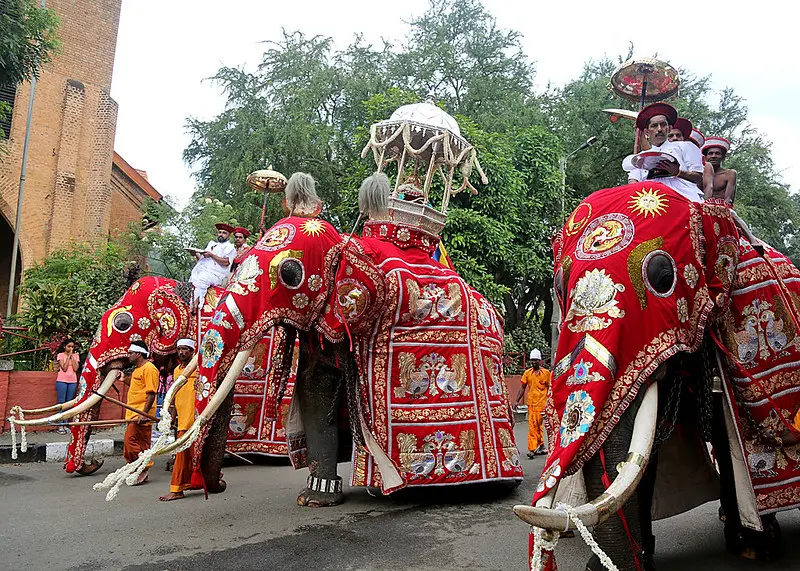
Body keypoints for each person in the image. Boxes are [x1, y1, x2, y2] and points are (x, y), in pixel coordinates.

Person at [624, 103, 705, 202]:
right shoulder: (641, 157)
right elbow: (633, 181)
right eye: (654, 126)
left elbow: (699, 178)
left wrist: (678, 172)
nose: (659, 129)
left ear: (669, 128)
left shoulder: (685, 147)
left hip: (682, 198)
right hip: (650, 201)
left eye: (663, 125)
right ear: (646, 132)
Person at [159, 338, 197, 501]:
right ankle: (196, 481)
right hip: (182, 419)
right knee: (187, 454)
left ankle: (176, 489)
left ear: (192, 352)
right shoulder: (176, 371)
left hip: (194, 418)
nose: (181, 352)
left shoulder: (199, 369)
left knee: (182, 455)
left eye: (185, 349)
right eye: (179, 349)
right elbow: (174, 395)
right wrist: (172, 417)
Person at [123, 340, 159, 485]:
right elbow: (136, 386)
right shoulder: (137, 369)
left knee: (129, 442)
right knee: (142, 444)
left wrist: (143, 414)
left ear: (138, 354)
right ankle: (140, 470)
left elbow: (151, 393)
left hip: (141, 414)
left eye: (131, 353)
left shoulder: (149, 369)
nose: (129, 356)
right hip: (133, 413)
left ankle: (141, 466)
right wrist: (124, 379)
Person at [188, 222, 237, 311]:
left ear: (229, 236)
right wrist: (195, 254)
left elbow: (226, 262)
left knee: (202, 279)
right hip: (201, 270)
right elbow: (203, 260)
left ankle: (196, 305)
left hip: (216, 274)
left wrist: (211, 255)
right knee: (192, 282)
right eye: (220, 232)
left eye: (224, 233)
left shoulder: (230, 247)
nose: (221, 234)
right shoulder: (212, 244)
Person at [516, 349, 551, 458]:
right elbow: (522, 387)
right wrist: (517, 401)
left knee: (535, 426)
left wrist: (551, 402)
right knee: (534, 426)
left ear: (540, 360)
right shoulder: (527, 373)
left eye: (535, 360)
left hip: (542, 404)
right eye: (532, 360)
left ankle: (532, 449)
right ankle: (539, 446)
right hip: (531, 403)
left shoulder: (546, 373)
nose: (533, 362)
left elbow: (550, 388)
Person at [55, 339, 80, 434]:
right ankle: (60, 425)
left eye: (72, 347)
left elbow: (76, 368)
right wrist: (68, 356)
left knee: (69, 403)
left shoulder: (76, 356)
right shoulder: (60, 355)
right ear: (65, 346)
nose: (71, 348)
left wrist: (72, 358)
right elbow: (64, 368)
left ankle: (66, 424)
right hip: (62, 380)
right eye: (69, 346)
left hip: (72, 381)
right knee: (62, 403)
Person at [703, 136, 737, 204]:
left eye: (717, 153)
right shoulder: (700, 173)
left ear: (724, 157)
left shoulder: (729, 174)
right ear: (705, 157)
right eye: (710, 153)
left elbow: (728, 199)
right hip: (700, 208)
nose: (713, 156)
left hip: (722, 209)